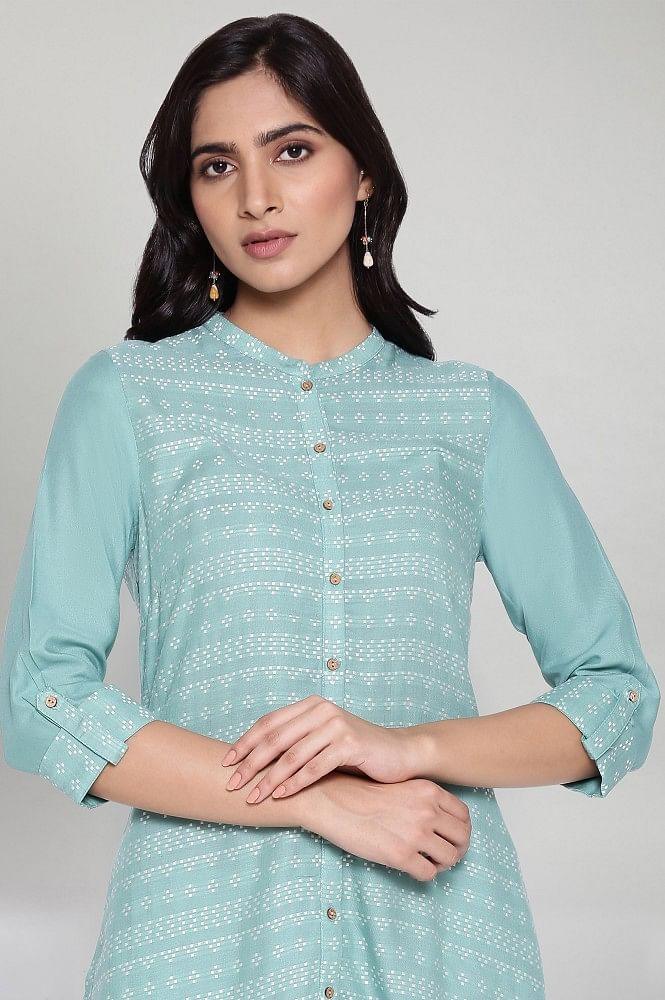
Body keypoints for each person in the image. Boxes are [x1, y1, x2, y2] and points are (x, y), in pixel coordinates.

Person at [0, 13, 659, 1000]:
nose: (255, 198)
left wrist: (404, 749)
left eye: (293, 150)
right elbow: (40, 697)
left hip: (444, 942)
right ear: (188, 196)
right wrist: (312, 800)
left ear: (363, 175)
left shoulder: (469, 415)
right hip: (196, 946)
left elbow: (616, 697)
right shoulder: (127, 399)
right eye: (216, 166)